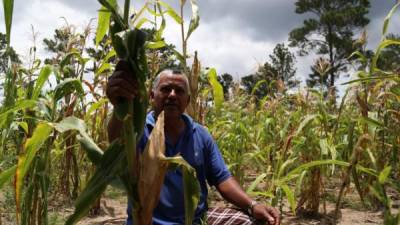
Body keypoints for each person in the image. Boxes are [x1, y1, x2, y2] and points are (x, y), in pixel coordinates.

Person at [106, 61, 280, 225]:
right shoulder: (136, 129)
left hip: (195, 220)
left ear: (188, 100)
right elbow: (116, 141)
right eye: (166, 89)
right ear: (152, 96)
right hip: (148, 222)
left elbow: (222, 178)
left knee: (257, 221)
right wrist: (119, 106)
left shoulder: (201, 134)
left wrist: (252, 205)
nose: (172, 95)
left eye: (179, 91)